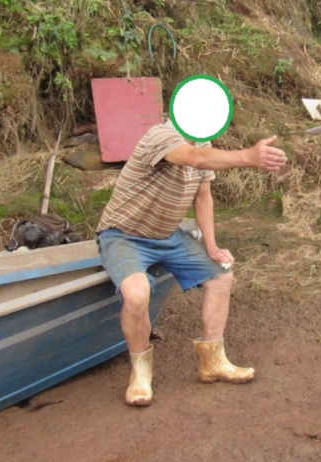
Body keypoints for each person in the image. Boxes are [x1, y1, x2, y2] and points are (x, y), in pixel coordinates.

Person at [96, 119, 287, 407]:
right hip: (124, 235)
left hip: (167, 235)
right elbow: (194, 159)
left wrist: (211, 246)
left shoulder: (204, 145)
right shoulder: (160, 135)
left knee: (221, 275)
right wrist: (248, 156)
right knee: (136, 293)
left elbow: (203, 198)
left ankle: (213, 362)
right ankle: (141, 374)